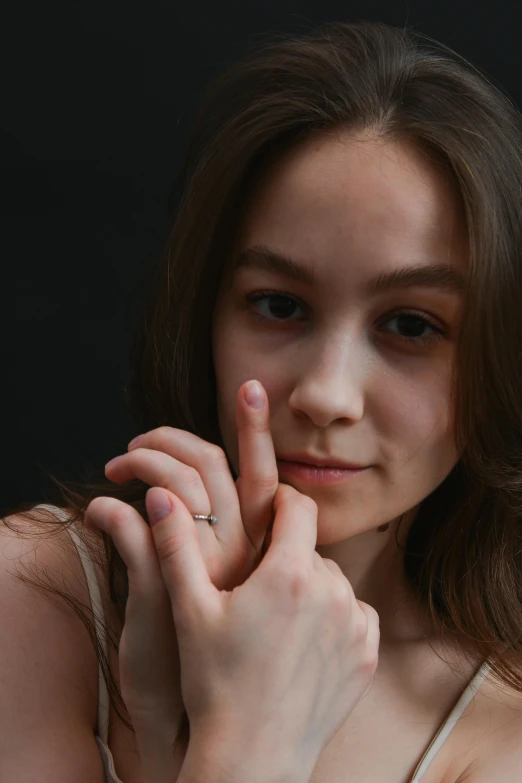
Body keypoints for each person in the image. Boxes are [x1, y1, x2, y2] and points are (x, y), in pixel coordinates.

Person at [2, 18, 522, 783]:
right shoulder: (32, 595)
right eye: (279, 305)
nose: (325, 394)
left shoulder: (499, 732)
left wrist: (241, 733)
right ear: (206, 316)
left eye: (411, 324)